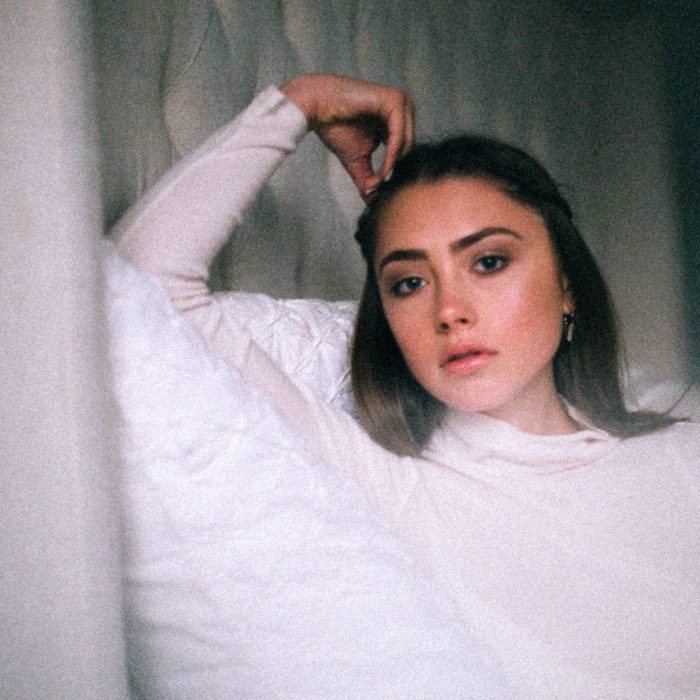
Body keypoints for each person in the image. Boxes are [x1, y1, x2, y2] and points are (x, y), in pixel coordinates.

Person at [112, 74, 700, 696]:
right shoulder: (381, 479)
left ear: (566, 286)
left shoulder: (681, 454)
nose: (449, 310)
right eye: (409, 283)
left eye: (488, 262)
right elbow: (137, 292)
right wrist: (299, 104)